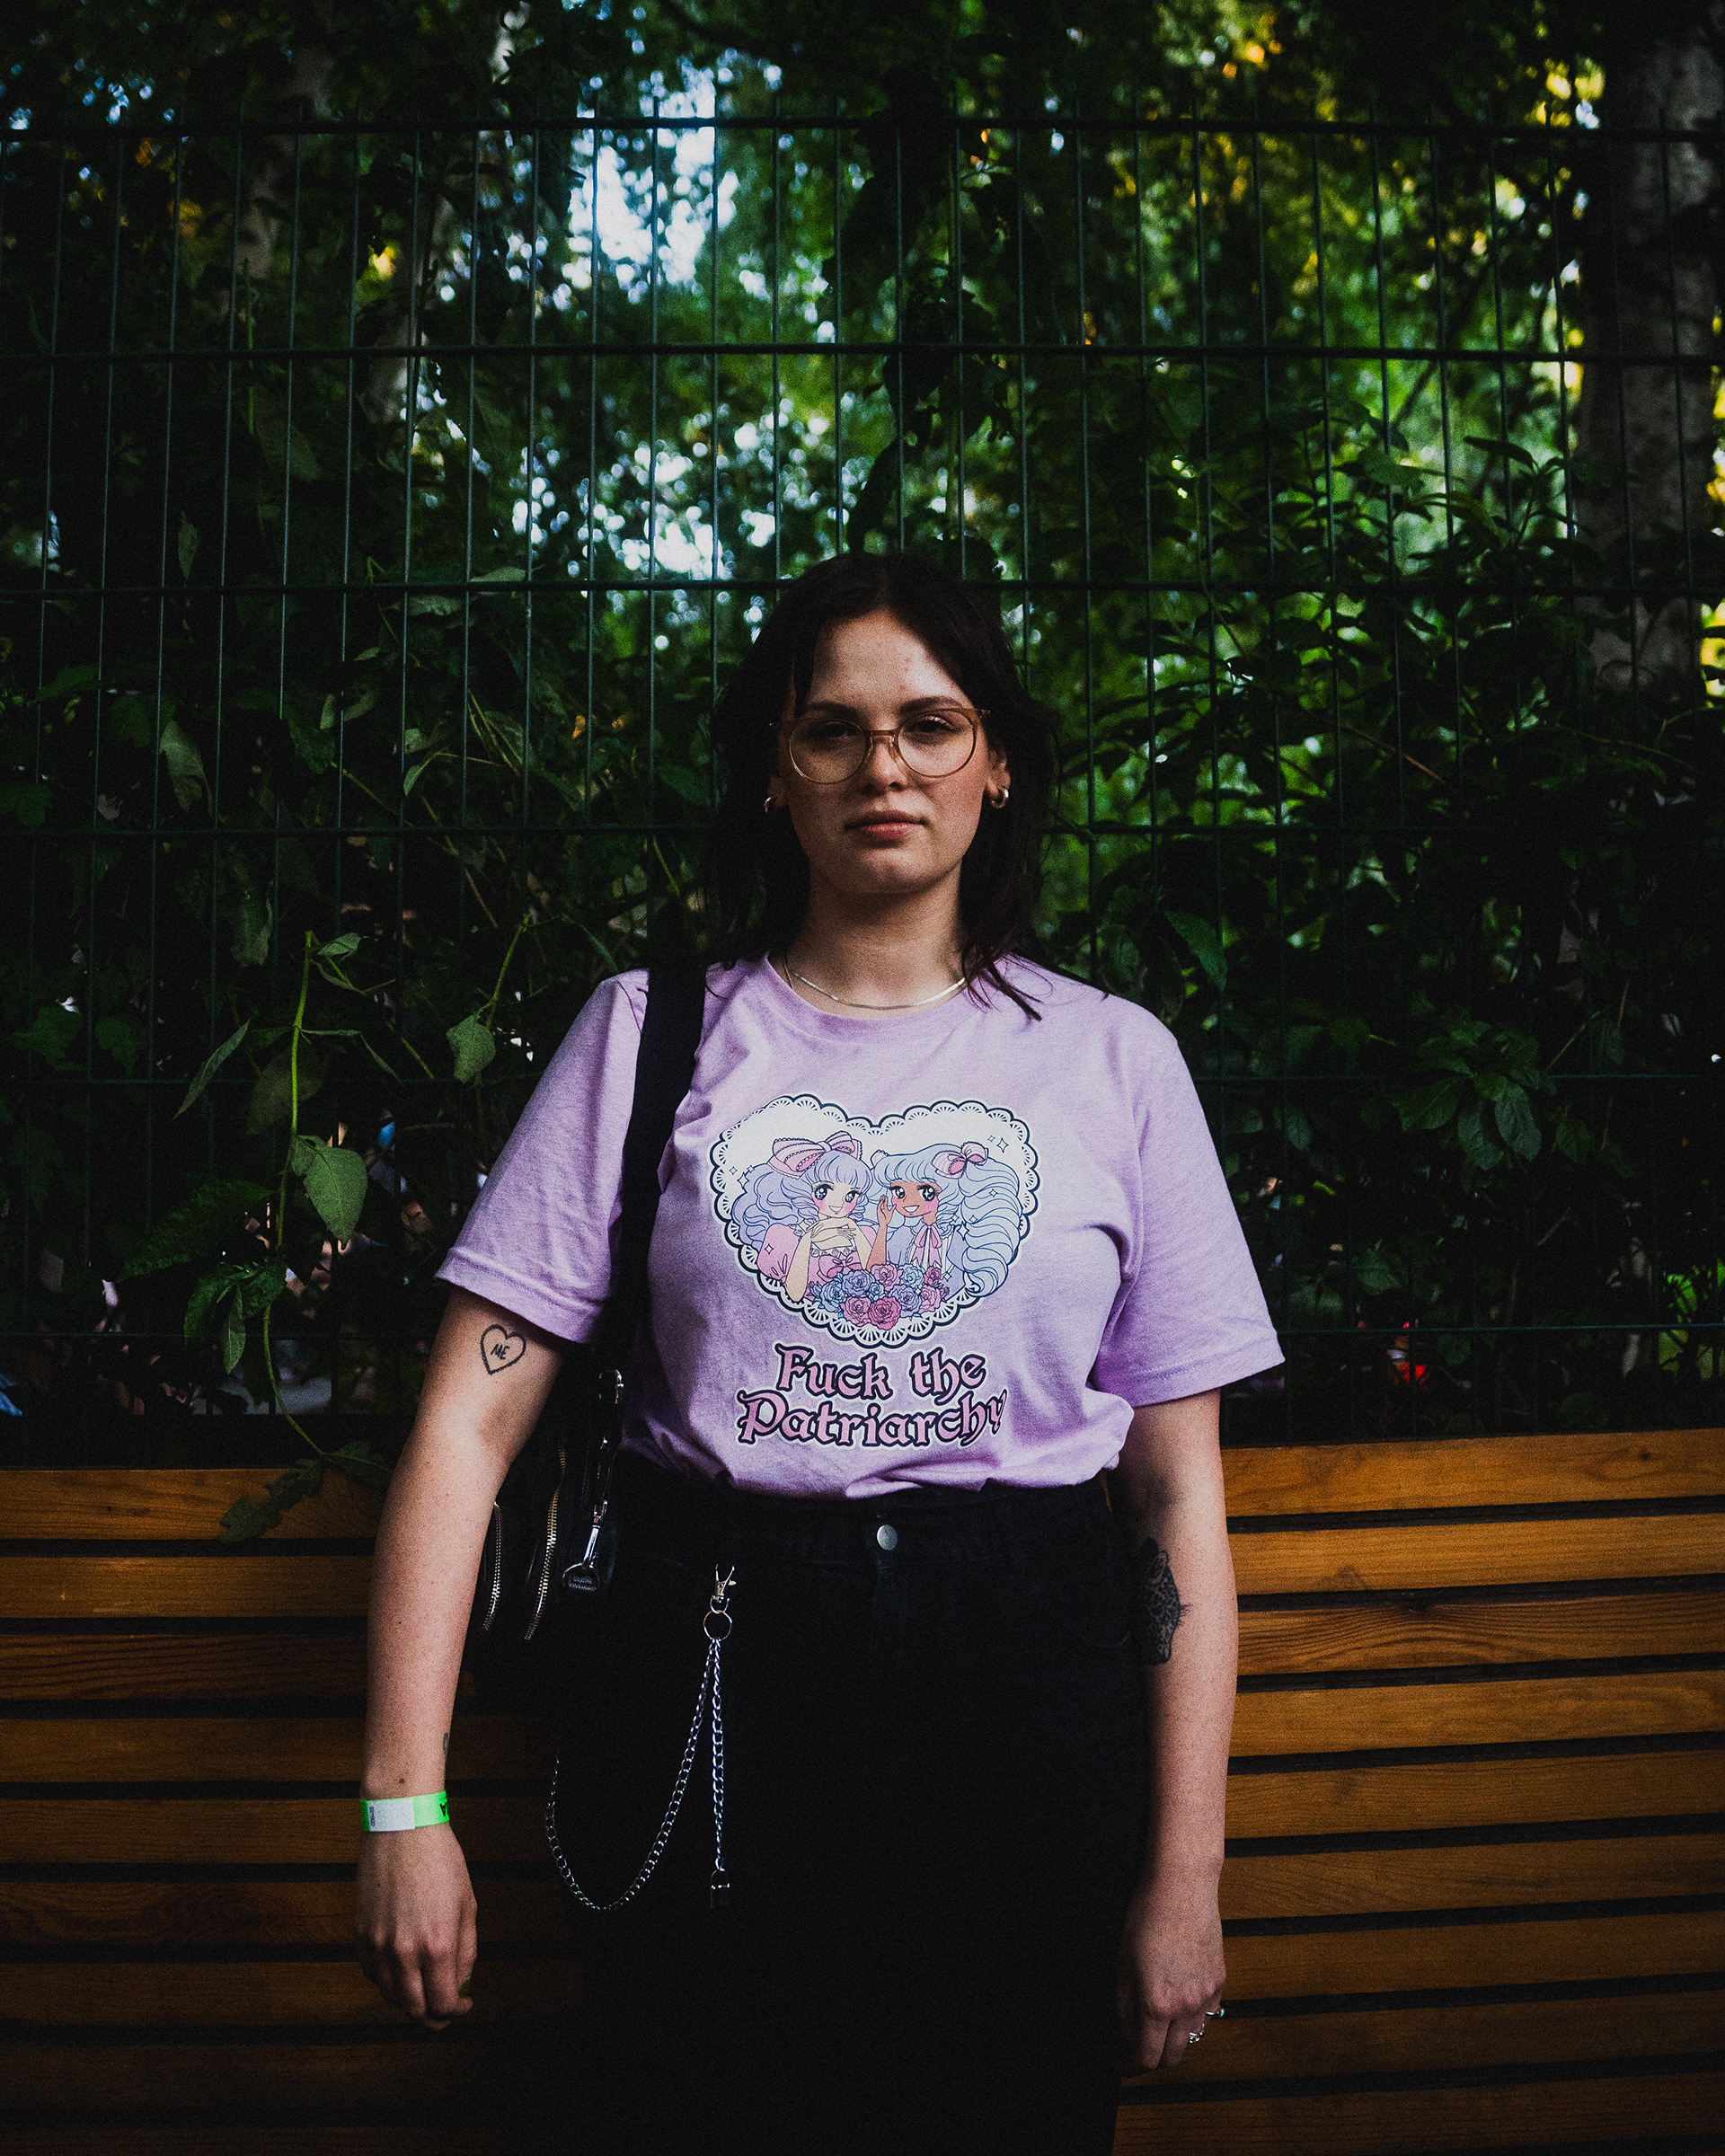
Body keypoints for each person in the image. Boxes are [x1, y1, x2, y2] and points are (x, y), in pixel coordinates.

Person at [355, 552, 1282, 2155]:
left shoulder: (1116, 1062)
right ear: (774, 773)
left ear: (998, 763)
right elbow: (464, 1429)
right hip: (713, 1677)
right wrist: (401, 1805)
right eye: (832, 729)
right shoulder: (648, 1036)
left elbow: (1174, 1501)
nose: (884, 767)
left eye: (931, 724)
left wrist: (1184, 1877)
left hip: (1029, 1686)